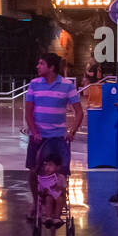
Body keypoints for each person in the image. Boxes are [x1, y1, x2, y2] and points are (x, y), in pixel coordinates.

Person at [25, 53, 83, 222]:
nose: (37, 66)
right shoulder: (34, 85)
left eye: (41, 64)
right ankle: (36, 204)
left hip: (58, 139)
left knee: (58, 173)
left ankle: (56, 204)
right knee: (33, 170)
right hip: (37, 137)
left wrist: (72, 131)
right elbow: (28, 111)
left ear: (51, 68)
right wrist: (34, 131)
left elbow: (79, 111)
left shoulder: (67, 86)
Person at [35, 155, 67, 228]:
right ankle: (48, 218)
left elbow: (64, 189)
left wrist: (59, 188)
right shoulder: (43, 179)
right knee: (48, 198)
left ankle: (56, 218)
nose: (47, 167)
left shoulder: (61, 177)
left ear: (58, 167)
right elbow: (40, 192)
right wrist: (43, 191)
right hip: (47, 198)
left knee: (60, 199)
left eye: (50, 165)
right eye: (46, 165)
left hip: (58, 198)